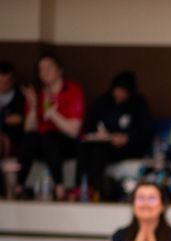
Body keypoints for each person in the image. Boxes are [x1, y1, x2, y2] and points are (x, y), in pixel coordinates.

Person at [77, 71, 154, 201]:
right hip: (102, 143)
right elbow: (91, 124)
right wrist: (98, 134)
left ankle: (96, 189)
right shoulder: (104, 101)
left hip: (127, 147)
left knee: (99, 152)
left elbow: (146, 131)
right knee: (86, 148)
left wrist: (127, 137)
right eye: (116, 90)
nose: (118, 94)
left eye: (122, 91)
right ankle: (80, 187)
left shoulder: (138, 104)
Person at [16, 54, 85, 200]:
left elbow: (73, 131)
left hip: (67, 143)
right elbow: (28, 129)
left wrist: (52, 113)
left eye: (49, 67)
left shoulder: (73, 90)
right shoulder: (38, 94)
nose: (45, 72)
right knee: (30, 138)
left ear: (60, 70)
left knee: (49, 138)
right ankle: (19, 186)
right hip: (42, 143)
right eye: (41, 69)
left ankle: (59, 188)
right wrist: (34, 106)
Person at [0, 61, 25, 197]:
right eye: (1, 81)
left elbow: (20, 120)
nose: (4, 84)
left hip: (14, 139)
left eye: (7, 81)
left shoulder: (19, 97)